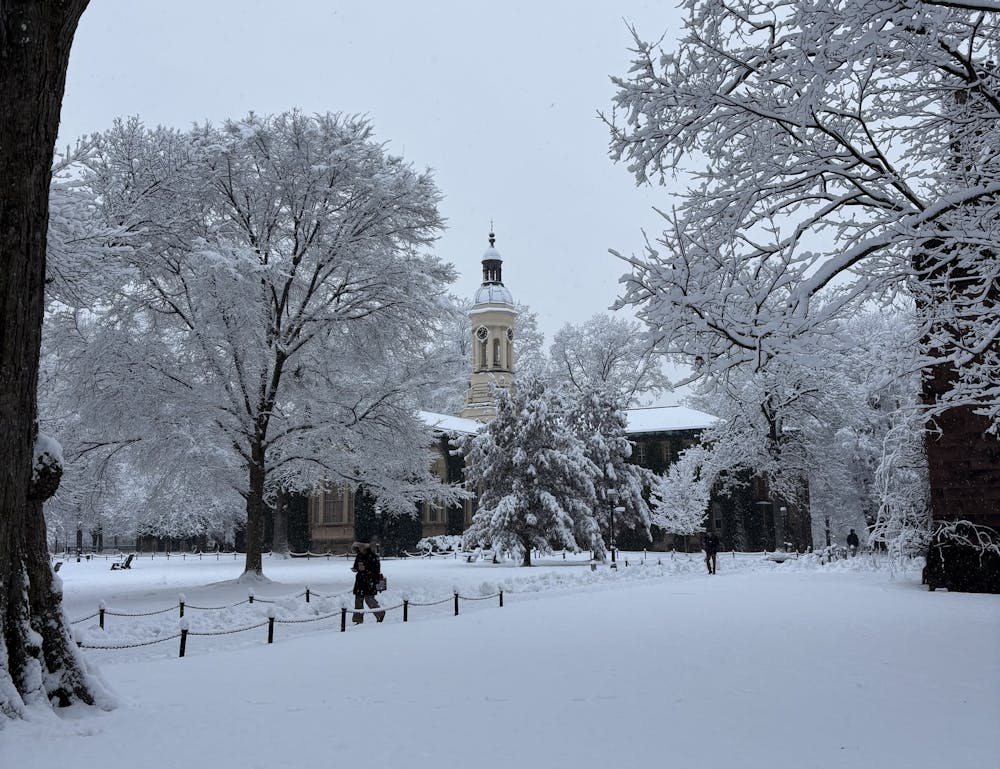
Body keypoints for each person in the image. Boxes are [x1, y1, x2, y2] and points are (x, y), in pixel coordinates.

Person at [351, 540, 385, 624]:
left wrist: (366, 569)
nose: (358, 550)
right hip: (360, 581)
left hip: (370, 581)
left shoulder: (373, 556)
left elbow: (376, 570)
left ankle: (380, 613)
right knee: (358, 601)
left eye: (359, 548)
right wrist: (357, 568)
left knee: (369, 600)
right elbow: (356, 566)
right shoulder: (359, 556)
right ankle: (358, 620)